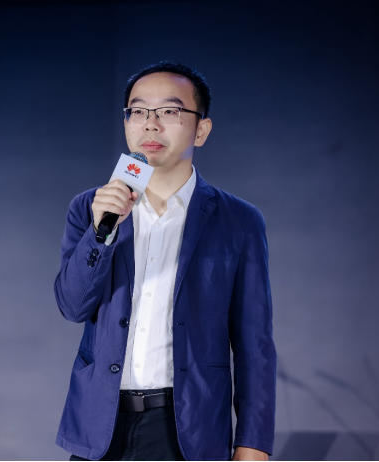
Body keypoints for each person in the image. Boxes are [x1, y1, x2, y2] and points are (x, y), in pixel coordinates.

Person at [54, 61, 276, 461]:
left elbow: (253, 342)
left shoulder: (238, 221)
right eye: (138, 111)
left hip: (185, 427)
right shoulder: (90, 207)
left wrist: (253, 443)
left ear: (201, 129)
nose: (150, 124)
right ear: (127, 123)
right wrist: (102, 232)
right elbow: (73, 306)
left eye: (169, 111)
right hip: (99, 425)